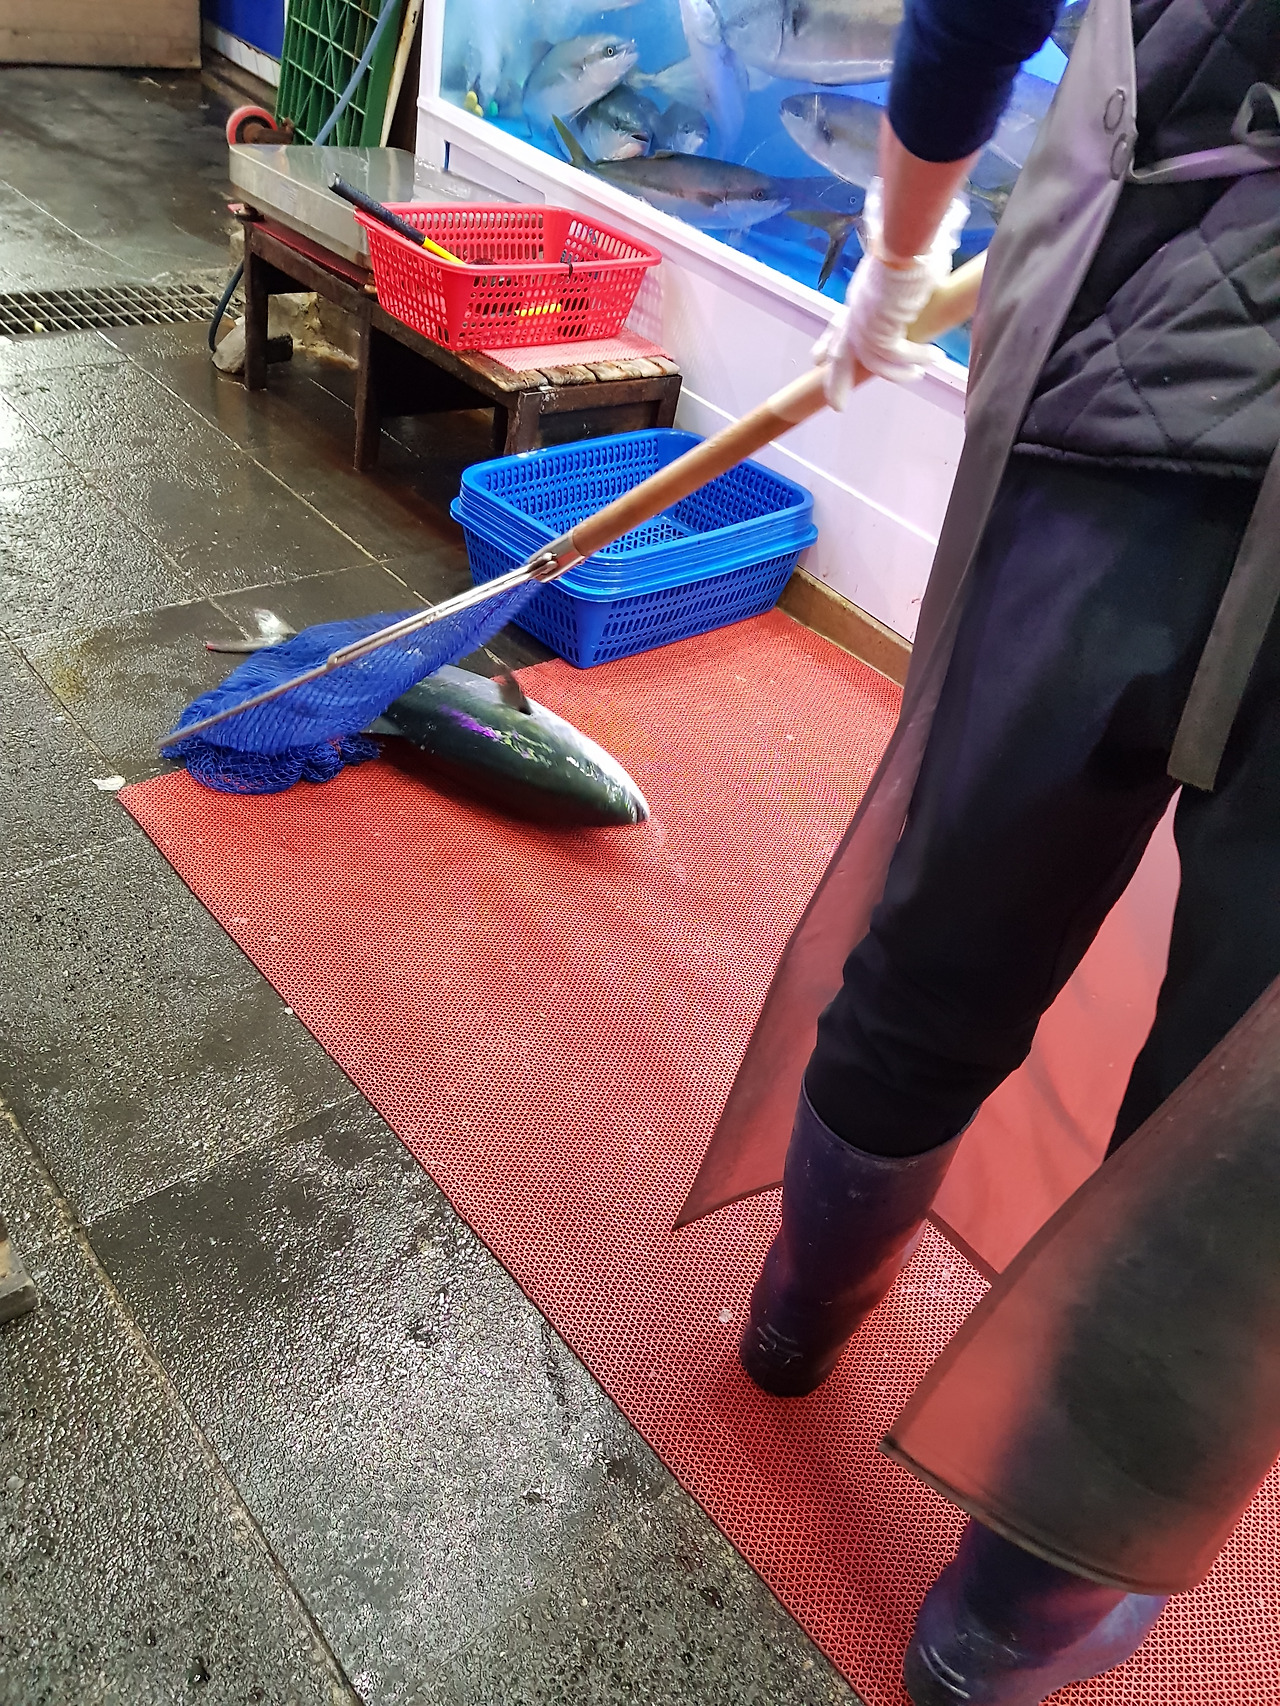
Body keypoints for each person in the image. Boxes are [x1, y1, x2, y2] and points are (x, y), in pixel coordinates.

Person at [731, 0, 1280, 1701]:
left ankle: (803, 1308)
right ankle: (1006, 1626)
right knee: (1247, 1131)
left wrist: (898, 253)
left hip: (1133, 390)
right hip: (1149, 382)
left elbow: (975, 13)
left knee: (948, 929)